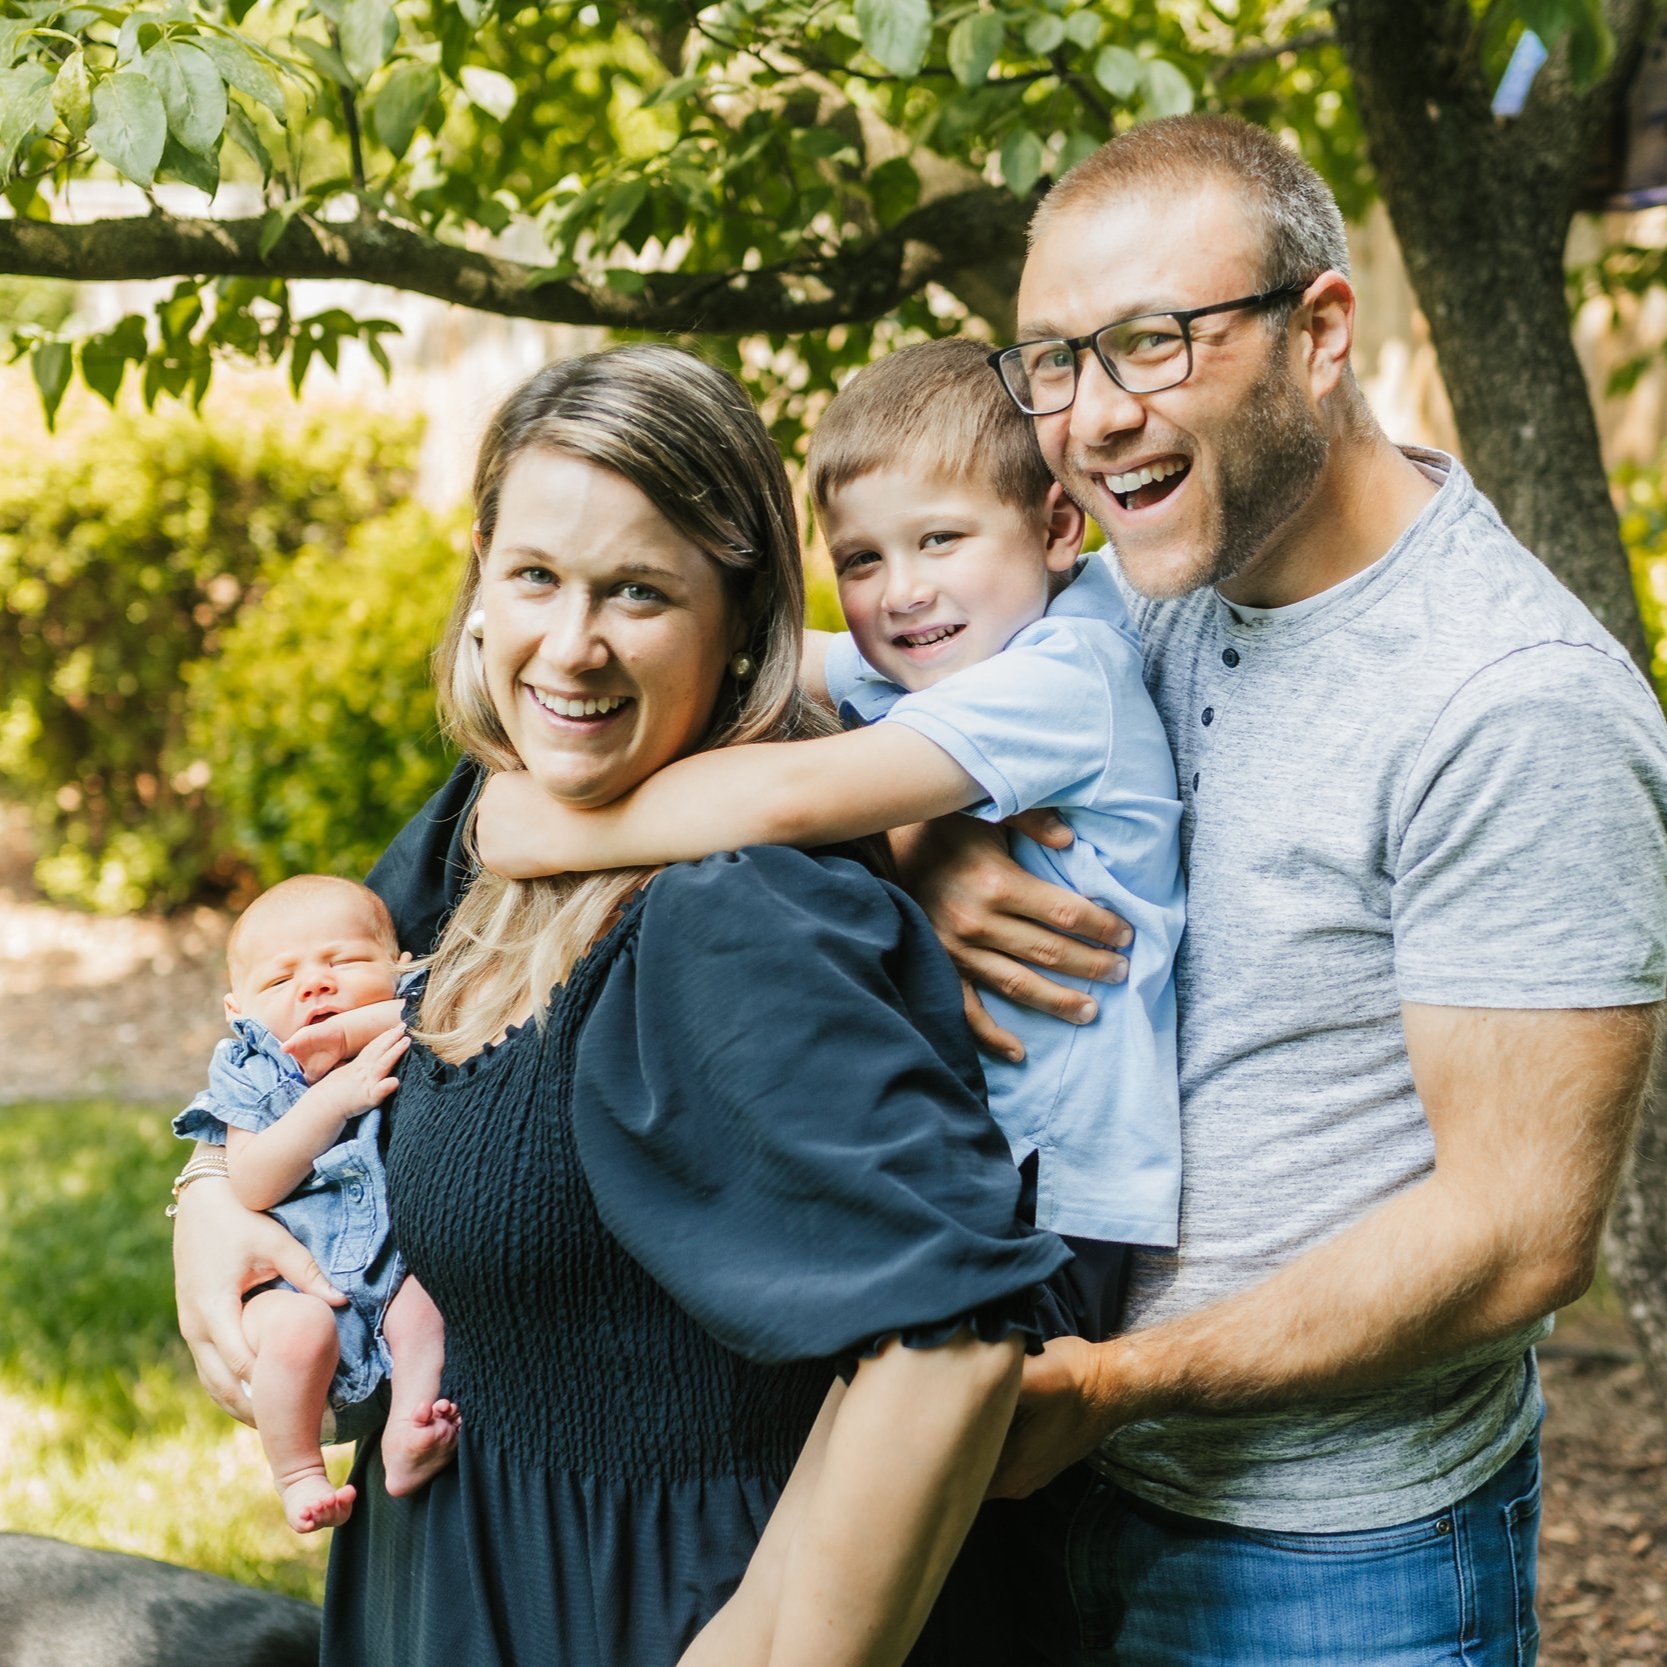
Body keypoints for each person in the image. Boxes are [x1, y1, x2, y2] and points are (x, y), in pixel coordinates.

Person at [171, 343, 1071, 1667]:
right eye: (535, 575)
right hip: (462, 1573)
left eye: (638, 591)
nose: (571, 643)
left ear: (742, 613)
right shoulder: (484, 834)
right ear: (479, 574)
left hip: (652, 1598)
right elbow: (284, 1041)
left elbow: (949, 1339)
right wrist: (212, 1204)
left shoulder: (736, 911)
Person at [902, 112, 1667, 1663]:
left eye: (1150, 343)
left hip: (1334, 1559)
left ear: (1321, 332)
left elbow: (1518, 1231)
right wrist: (934, 842)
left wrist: (1112, 1382)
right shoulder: (1140, 586)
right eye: (1051, 360)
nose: (1092, 419)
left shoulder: (1508, 703)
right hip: (1067, 1484)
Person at [475, 337, 1186, 1342]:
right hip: (989, 1148)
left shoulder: (1063, 675)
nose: (900, 591)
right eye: (860, 558)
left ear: (1057, 527)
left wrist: (545, 824)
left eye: (939, 539)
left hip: (1064, 1184)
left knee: (968, 1409)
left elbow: (793, 794)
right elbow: (780, 652)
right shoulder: (938, 656)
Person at [172, 874, 456, 1532]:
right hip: (295, 1290)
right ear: (238, 1010)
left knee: (423, 1311)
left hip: (391, 1282)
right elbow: (251, 1181)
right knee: (300, 1332)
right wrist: (333, 1098)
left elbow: (450, 1005)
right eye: (280, 980)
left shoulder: (412, 1020)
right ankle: (298, 1471)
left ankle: (406, 1437)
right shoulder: (255, 1066)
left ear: (401, 967)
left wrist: (359, 1029)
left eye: (345, 961)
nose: (315, 984)